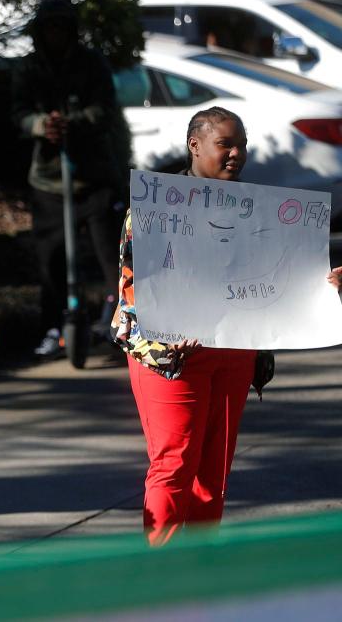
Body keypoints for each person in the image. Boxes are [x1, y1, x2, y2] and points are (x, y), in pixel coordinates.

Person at [112, 107, 260, 546]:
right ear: (195, 145)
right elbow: (133, 283)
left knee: (213, 473)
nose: (237, 154)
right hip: (173, 356)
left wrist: (321, 284)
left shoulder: (255, 209)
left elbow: (274, 278)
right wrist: (168, 332)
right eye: (226, 145)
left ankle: (199, 574)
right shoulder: (156, 204)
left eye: (242, 145)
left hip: (234, 352)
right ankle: (164, 577)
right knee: (175, 465)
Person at [11, 0, 126, 357]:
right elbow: (18, 113)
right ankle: (53, 326)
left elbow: (104, 109)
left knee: (114, 255)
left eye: (62, 27)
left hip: (92, 176)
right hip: (49, 180)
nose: (56, 34)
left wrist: (72, 124)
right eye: (50, 28)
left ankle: (123, 322)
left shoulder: (91, 64)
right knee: (50, 258)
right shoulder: (30, 68)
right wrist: (42, 126)